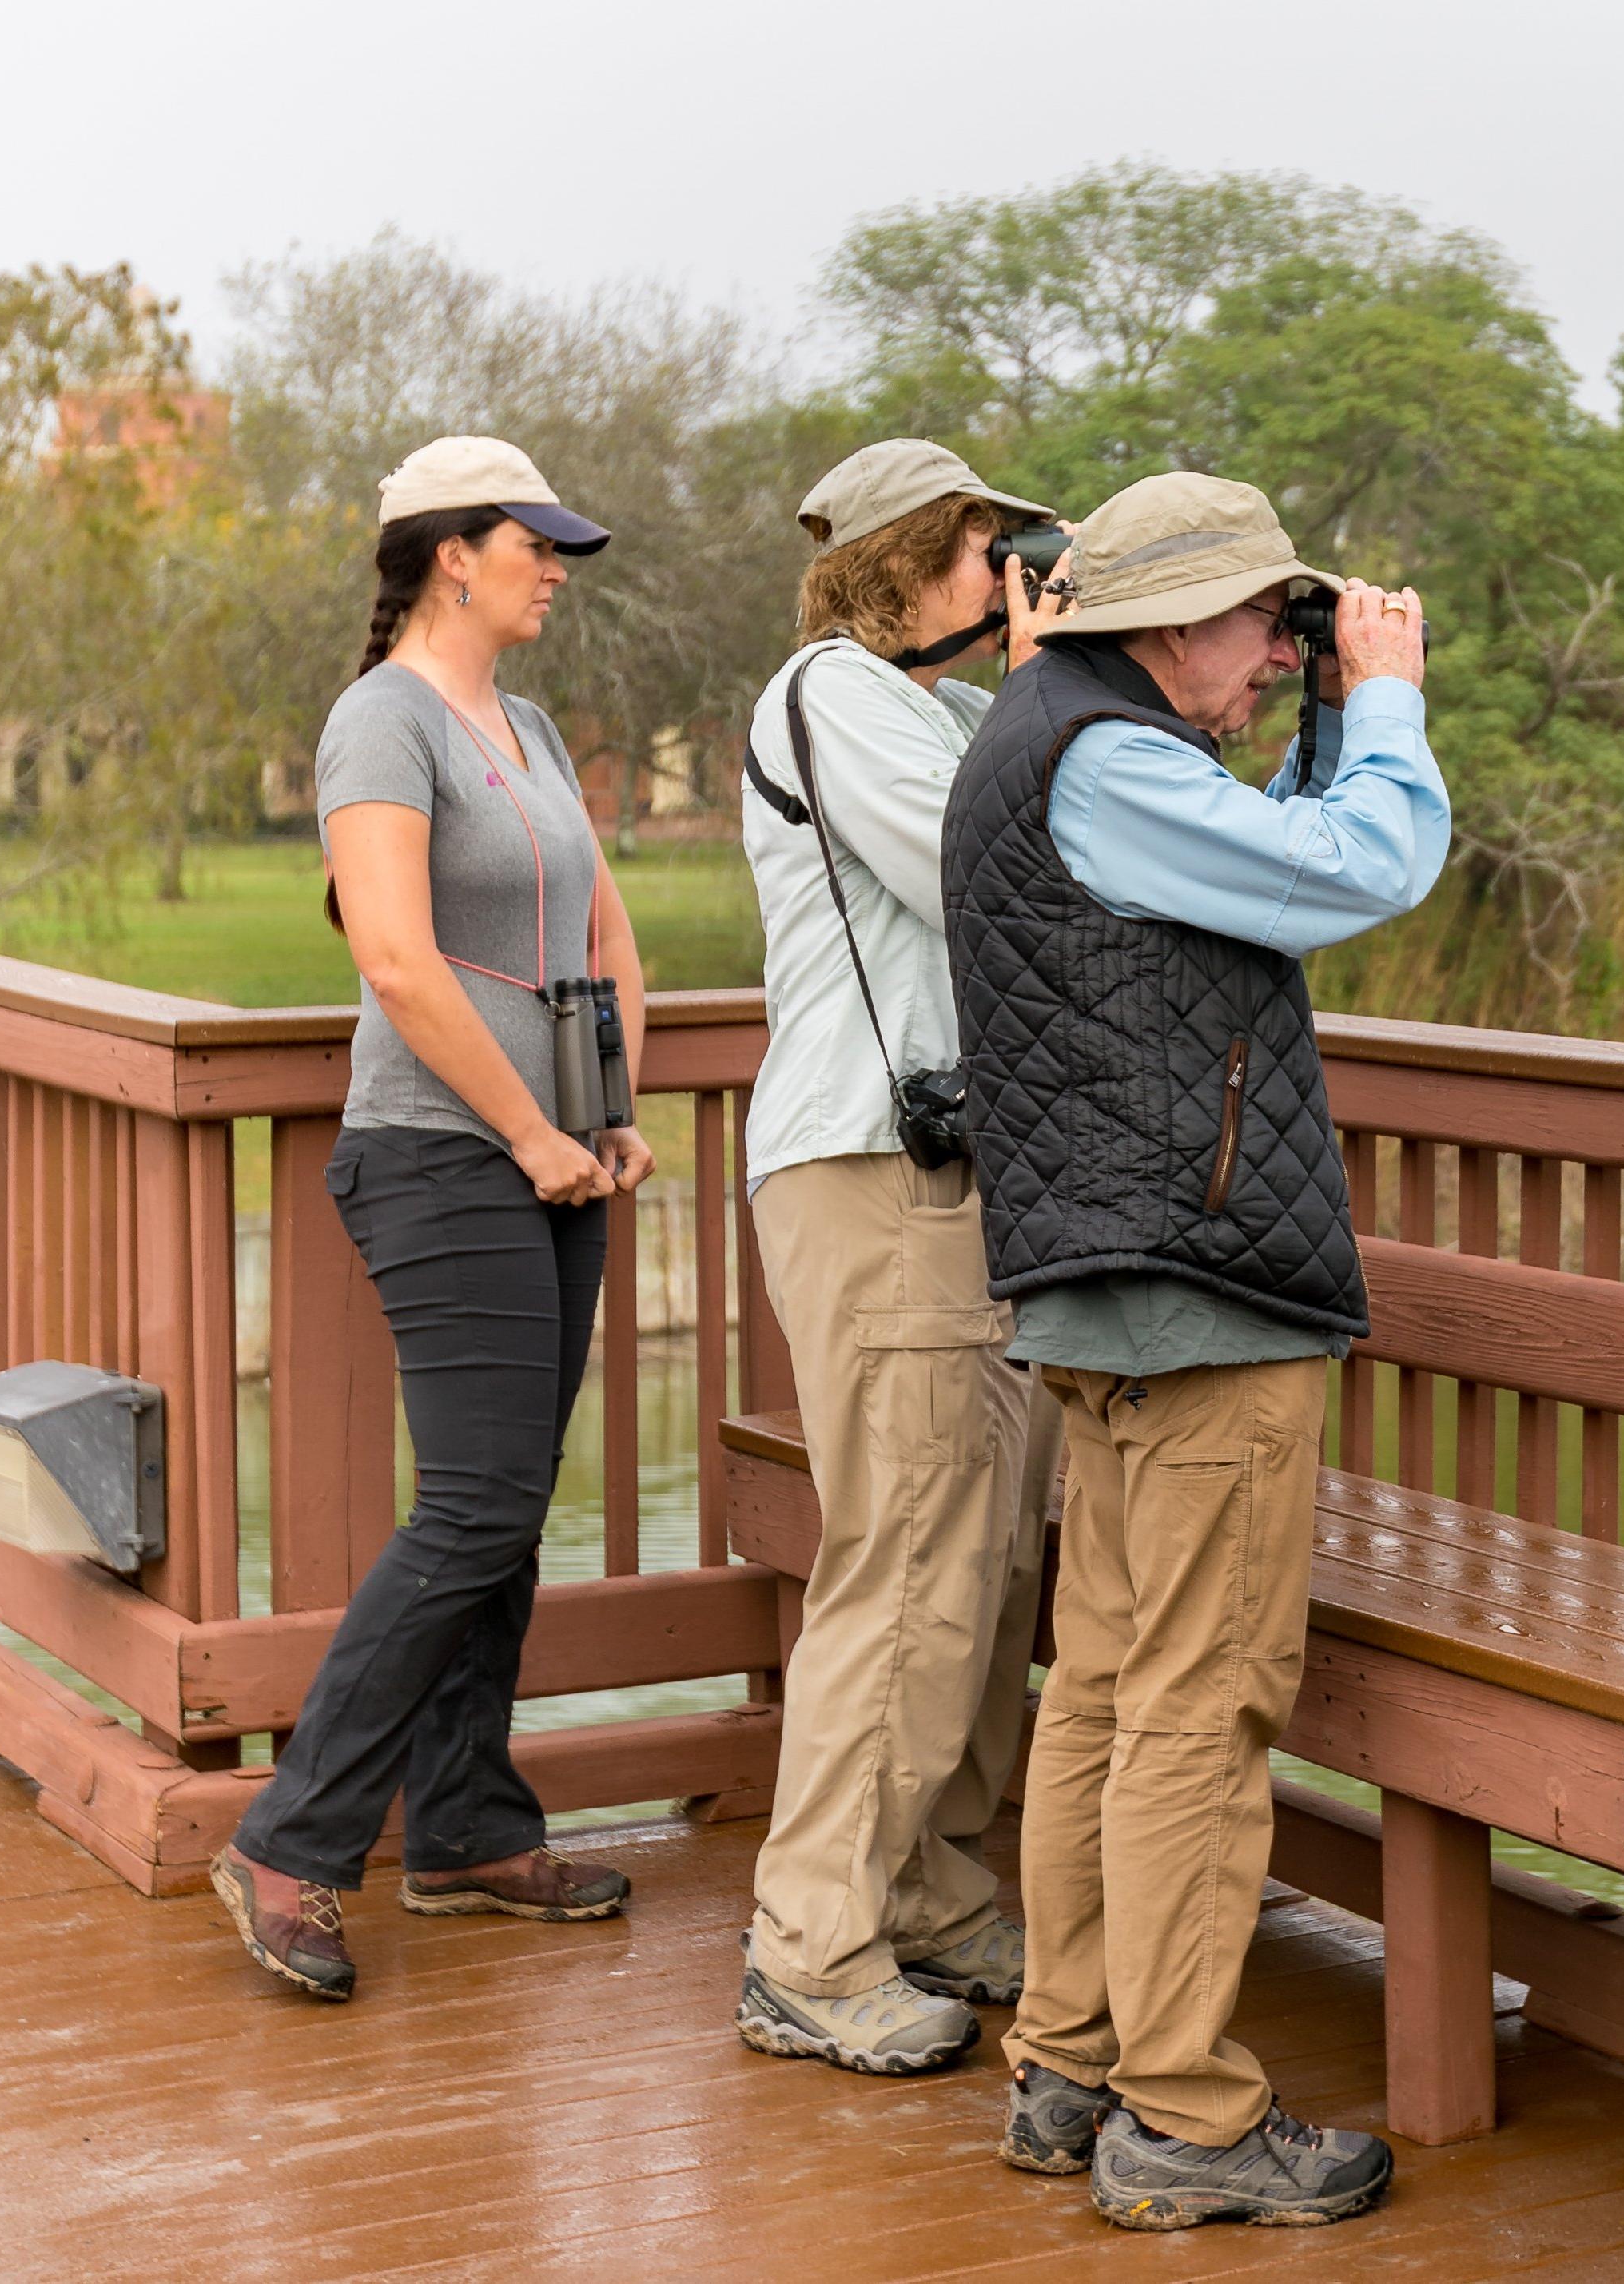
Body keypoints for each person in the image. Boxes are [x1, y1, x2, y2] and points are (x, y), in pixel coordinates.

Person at [939, 473, 1450, 2230]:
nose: (1269, 655)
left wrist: (1314, 711)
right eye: (1260, 623)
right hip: (1197, 1289)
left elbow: (1261, 895)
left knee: (1100, 1686)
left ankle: (1076, 2063)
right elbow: (1366, 867)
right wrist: (1384, 704)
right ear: (1162, 622)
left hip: (1110, 1277)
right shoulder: (1110, 760)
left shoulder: (1052, 736)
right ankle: (1188, 2116)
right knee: (1197, 1709)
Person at [213, 436, 655, 2002]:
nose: (556, 565)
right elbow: (396, 959)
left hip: (552, 1157)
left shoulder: (523, 722)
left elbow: (602, 929)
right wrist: (530, 1129)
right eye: (534, 541)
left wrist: (605, 1108)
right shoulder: (378, 720)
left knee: (509, 1506)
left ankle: (467, 1828)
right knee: (472, 1506)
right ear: (451, 552)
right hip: (439, 1151)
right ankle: (292, 1839)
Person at [726, 440, 1071, 2075]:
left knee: (992, 1559)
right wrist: (1046, 679)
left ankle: (932, 1889)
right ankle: (812, 1941)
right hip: (880, 1170)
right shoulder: (838, 691)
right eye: (990, 546)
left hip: (966, 1184)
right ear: (910, 560)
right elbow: (996, 874)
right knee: (916, 1554)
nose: (1011, 571)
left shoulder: (933, 708)